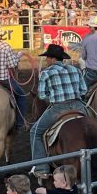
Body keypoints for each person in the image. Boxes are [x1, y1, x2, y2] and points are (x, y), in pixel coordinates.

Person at [30, 44, 87, 177]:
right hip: (79, 106)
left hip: (59, 108)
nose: (46, 61)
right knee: (95, 124)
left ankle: (42, 168)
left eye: (47, 58)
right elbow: (83, 90)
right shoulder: (75, 69)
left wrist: (53, 96)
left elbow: (42, 95)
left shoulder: (46, 73)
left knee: (35, 132)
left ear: (52, 59)